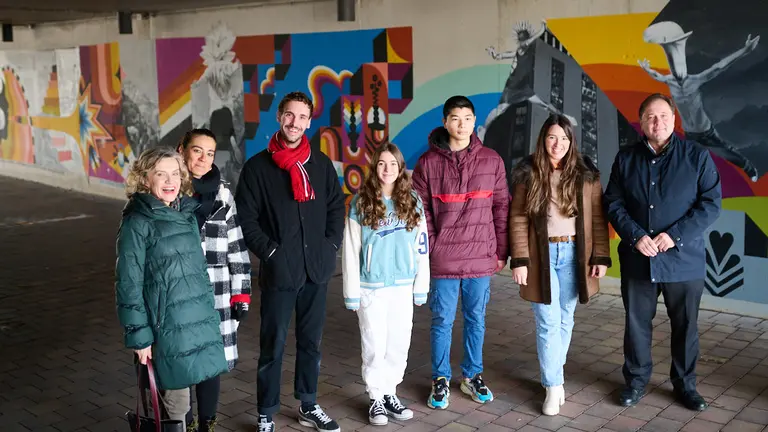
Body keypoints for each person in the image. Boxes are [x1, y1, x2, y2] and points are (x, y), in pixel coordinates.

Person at [235, 91, 345, 432]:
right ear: (279, 117)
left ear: (309, 122)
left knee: (311, 342)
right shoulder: (257, 168)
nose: (295, 122)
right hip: (280, 271)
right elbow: (246, 220)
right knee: (273, 344)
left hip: (316, 270)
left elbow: (335, 207)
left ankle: (308, 404)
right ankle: (266, 412)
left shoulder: (321, 164)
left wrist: (330, 245)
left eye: (302, 117)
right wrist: (271, 253)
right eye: (289, 115)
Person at [604, 93, 722, 411]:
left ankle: (685, 385)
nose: (657, 122)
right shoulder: (626, 159)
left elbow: (711, 204)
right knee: (636, 325)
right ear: (641, 122)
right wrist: (635, 236)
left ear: (674, 120)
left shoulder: (697, 157)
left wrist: (675, 235)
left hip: (684, 260)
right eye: (650, 117)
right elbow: (613, 202)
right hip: (638, 258)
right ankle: (636, 381)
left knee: (685, 326)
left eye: (664, 116)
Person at [116, 147, 229, 430]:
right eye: (161, 174)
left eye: (175, 174)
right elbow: (128, 284)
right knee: (175, 410)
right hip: (165, 332)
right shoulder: (137, 221)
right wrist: (139, 336)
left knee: (193, 400)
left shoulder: (186, 213)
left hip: (196, 325)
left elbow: (198, 272)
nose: (170, 181)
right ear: (145, 179)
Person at [508, 115, 611, 416]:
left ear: (571, 141)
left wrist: (599, 256)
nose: (558, 144)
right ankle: (553, 386)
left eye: (564, 138)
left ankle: (555, 376)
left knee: (566, 318)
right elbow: (518, 217)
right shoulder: (529, 172)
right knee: (547, 321)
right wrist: (520, 260)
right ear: (543, 139)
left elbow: (597, 217)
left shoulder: (585, 173)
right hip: (540, 255)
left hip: (574, 254)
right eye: (552, 137)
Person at [412, 95, 509, 410]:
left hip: (480, 256)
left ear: (474, 121)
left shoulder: (492, 160)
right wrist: (433, 246)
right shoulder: (428, 163)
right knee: (441, 320)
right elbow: (420, 210)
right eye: (455, 118)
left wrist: (500, 250)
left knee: (476, 319)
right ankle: (440, 379)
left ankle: (472, 375)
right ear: (445, 122)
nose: (461, 124)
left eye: (467, 118)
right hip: (443, 259)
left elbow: (501, 207)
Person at [342, 143, 429, 426]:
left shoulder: (413, 201)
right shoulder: (361, 202)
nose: (387, 169)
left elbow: (422, 246)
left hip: (402, 285)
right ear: (374, 167)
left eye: (393, 164)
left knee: (399, 342)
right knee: (374, 342)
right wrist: (351, 292)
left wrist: (421, 285)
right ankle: (375, 397)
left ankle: (390, 392)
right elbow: (351, 249)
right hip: (371, 287)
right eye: (381, 163)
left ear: (400, 168)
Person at [178, 128, 253, 431]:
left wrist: (241, 294)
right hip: (179, 293)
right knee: (182, 360)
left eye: (209, 153)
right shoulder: (169, 189)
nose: (203, 159)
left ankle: (207, 423)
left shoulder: (222, 194)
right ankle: (183, 422)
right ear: (182, 149)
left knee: (211, 360)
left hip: (217, 293)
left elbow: (237, 247)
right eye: (197, 150)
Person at [638, 21, 759, 181]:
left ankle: (749, 168)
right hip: (690, 134)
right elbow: (656, 76)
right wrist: (647, 69)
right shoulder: (669, 81)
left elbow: (720, 66)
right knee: (687, 162)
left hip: (705, 131)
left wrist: (745, 50)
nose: (677, 73)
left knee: (726, 151)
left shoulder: (696, 80)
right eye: (673, 69)